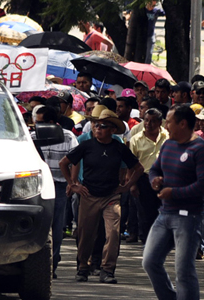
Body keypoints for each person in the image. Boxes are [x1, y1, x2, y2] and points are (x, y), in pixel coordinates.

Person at [142, 104, 204, 300]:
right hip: (165, 214)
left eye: (169, 122)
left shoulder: (202, 150)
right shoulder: (168, 145)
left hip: (189, 217)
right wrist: (154, 180)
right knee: (150, 262)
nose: (166, 125)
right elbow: (155, 168)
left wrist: (173, 192)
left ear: (183, 124)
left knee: (183, 271)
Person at [60, 109, 143, 284]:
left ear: (112, 130)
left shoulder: (119, 147)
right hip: (88, 195)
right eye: (96, 125)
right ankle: (83, 267)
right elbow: (65, 163)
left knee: (113, 233)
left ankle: (107, 269)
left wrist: (127, 186)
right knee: (85, 234)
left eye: (103, 126)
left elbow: (138, 168)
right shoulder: (86, 145)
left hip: (111, 197)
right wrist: (73, 184)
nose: (98, 128)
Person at [35, 104, 78, 278]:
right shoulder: (32, 137)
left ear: (52, 123)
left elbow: (75, 160)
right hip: (39, 185)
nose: (37, 126)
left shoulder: (68, 137)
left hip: (60, 185)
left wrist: (72, 183)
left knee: (56, 225)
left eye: (41, 122)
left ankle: (52, 262)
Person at [129, 108, 168, 243]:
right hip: (143, 180)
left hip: (165, 180)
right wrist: (132, 184)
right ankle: (147, 241)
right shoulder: (135, 139)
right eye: (146, 120)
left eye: (152, 121)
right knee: (145, 213)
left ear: (159, 122)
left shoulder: (168, 137)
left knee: (165, 211)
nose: (148, 124)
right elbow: (130, 164)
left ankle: (163, 241)